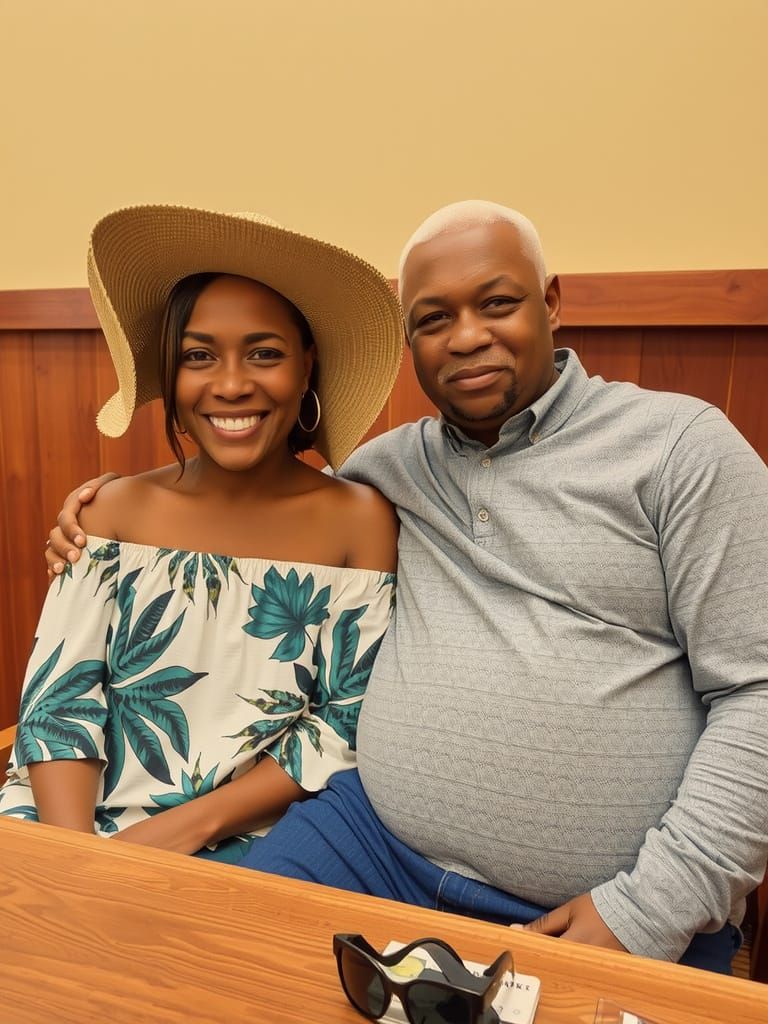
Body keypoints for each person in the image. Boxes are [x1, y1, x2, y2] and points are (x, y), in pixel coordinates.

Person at [44, 201, 768, 971]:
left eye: (497, 303)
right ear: (409, 341)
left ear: (551, 301)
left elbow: (758, 688)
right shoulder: (385, 476)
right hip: (373, 846)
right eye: (432, 318)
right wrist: (101, 514)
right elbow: (247, 513)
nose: (465, 337)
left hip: (605, 898)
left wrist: (648, 907)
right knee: (209, 968)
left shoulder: (681, 448)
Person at [1, 204, 402, 863]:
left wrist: (183, 831)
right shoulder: (111, 514)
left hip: (252, 839)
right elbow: (59, 705)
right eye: (199, 356)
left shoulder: (359, 522)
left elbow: (342, 722)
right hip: (60, 823)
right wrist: (79, 858)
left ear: (308, 366)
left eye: (265, 354)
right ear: (170, 373)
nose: (232, 384)